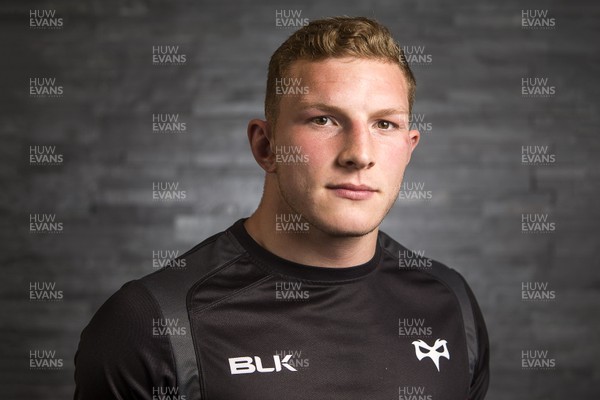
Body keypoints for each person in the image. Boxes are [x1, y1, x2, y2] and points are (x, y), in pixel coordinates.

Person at [74, 16, 489, 400]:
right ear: (266, 146)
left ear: (409, 147)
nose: (360, 154)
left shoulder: (451, 302)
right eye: (324, 120)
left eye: (385, 124)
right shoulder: (151, 323)